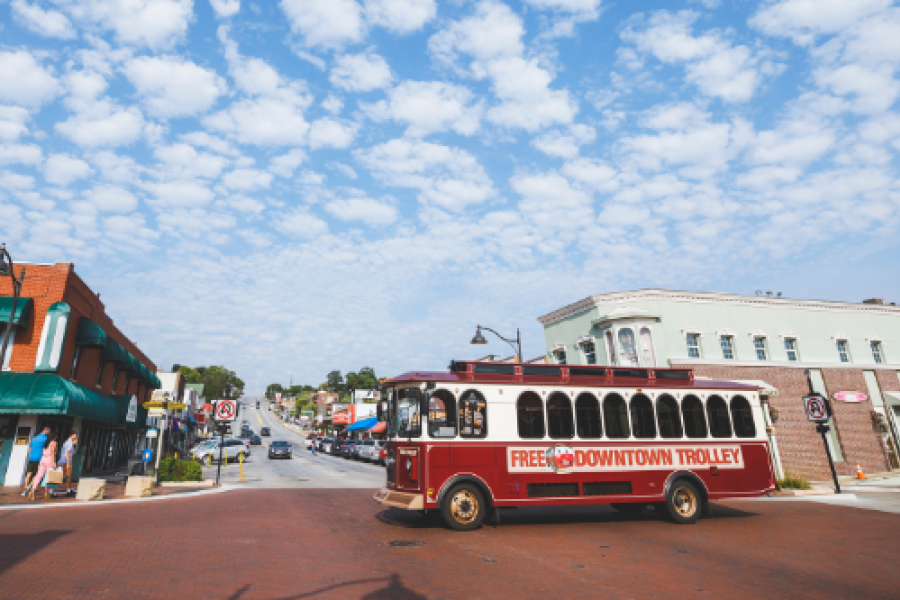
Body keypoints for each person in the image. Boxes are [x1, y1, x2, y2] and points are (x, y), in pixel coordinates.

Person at [28, 433, 58, 501]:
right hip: (49, 459)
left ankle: (32, 491)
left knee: (39, 476)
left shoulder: (45, 443)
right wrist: (54, 463)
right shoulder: (54, 443)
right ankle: (46, 493)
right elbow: (52, 453)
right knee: (48, 477)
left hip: (43, 459)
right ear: (55, 437)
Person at [22, 426, 50, 496]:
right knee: (37, 474)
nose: (49, 432)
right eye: (48, 431)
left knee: (28, 474)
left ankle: (25, 489)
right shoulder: (45, 439)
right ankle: (29, 487)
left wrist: (31, 455)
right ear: (45, 430)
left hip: (31, 457)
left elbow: (29, 449)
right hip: (39, 458)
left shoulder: (34, 438)